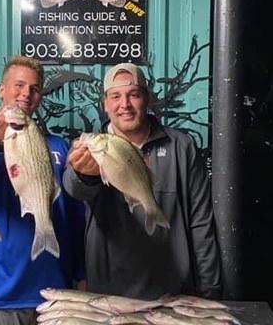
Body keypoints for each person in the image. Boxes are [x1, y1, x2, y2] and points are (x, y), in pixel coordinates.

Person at [0, 55, 85, 325]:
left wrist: (80, 272)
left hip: (51, 295)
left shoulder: (58, 146)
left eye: (34, 88)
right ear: (2, 90)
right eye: (18, 85)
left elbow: (73, 215)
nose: (26, 94)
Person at [63, 62, 222, 300]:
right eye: (115, 96)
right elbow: (74, 188)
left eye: (133, 95)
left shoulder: (181, 146)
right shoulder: (89, 148)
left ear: (146, 99)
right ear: (105, 104)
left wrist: (210, 291)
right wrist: (84, 174)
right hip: (110, 296)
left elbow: (201, 222)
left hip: (173, 294)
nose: (124, 105)